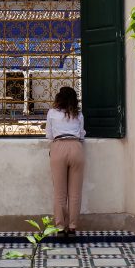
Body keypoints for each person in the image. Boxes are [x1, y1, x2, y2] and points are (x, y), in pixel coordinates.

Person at [45, 86, 86, 238]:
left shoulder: (52, 113)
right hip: (76, 147)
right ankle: (73, 227)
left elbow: (49, 135)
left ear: (58, 98)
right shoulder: (79, 114)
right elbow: (82, 135)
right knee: (75, 192)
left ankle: (61, 227)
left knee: (59, 192)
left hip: (58, 147)